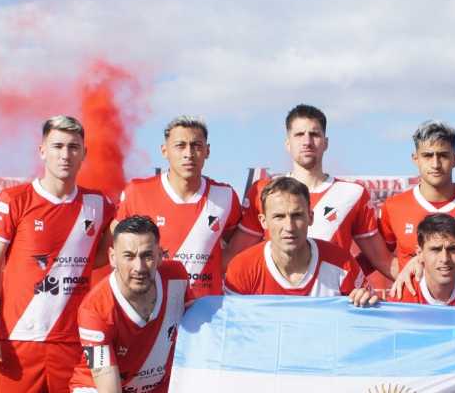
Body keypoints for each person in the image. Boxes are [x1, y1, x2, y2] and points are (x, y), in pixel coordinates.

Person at [0, 115, 116, 392]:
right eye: (57, 146)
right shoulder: (15, 200)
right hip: (19, 339)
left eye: (73, 147)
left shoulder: (99, 204)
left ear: (84, 153)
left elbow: (108, 255)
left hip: (76, 340)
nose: (65, 155)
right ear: (42, 151)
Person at [227, 105, 396, 279]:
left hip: (330, 300)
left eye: (314, 134)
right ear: (288, 143)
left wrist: (418, 272)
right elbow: (234, 256)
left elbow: (382, 261)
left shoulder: (353, 194)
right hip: (276, 299)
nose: (307, 142)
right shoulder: (263, 190)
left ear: (326, 142)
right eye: (299, 135)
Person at [114, 116, 242, 298]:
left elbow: (236, 248)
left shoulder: (225, 196)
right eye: (180, 146)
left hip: (206, 311)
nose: (188, 153)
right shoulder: (137, 192)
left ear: (207, 151)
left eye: (196, 146)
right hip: (153, 308)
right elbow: (117, 246)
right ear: (164, 151)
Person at [69, 215, 193, 393]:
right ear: (112, 257)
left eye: (147, 256)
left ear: (159, 255)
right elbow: (107, 384)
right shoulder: (94, 309)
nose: (139, 267)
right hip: (97, 387)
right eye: (129, 256)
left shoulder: (177, 276)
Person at [378, 120, 455, 271]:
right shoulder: (394, 207)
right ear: (415, 159)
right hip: (409, 296)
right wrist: (405, 282)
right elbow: (378, 256)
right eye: (427, 156)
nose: (435, 164)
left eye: (443, 155)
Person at [225, 176, 365, 296]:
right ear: (263, 221)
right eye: (279, 217)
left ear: (310, 217)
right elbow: (232, 324)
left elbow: (371, 317)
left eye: (297, 215)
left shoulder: (342, 263)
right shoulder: (242, 268)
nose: (289, 227)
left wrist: (367, 300)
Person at [351, 213, 455, 309]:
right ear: (419, 254)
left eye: (452, 249)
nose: (444, 259)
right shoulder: (404, 294)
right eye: (435, 250)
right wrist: (368, 306)